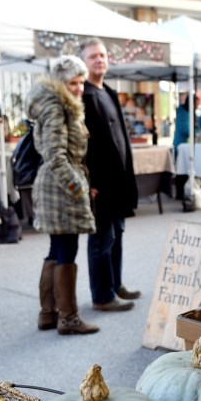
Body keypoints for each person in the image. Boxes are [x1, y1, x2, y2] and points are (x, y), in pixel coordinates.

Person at [27, 56, 99, 335]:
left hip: (55, 185)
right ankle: (68, 318)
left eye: (82, 82)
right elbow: (56, 156)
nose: (80, 87)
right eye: (73, 82)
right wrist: (76, 188)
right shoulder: (57, 108)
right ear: (60, 83)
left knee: (57, 249)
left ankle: (49, 313)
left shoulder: (54, 105)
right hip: (60, 188)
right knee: (66, 250)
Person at [79, 38, 140, 312]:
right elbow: (81, 145)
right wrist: (89, 182)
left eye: (102, 55)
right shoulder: (83, 96)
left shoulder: (110, 93)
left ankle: (115, 285)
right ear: (84, 62)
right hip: (100, 185)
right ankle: (102, 295)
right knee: (102, 239)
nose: (99, 60)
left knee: (117, 235)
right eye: (93, 56)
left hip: (119, 183)